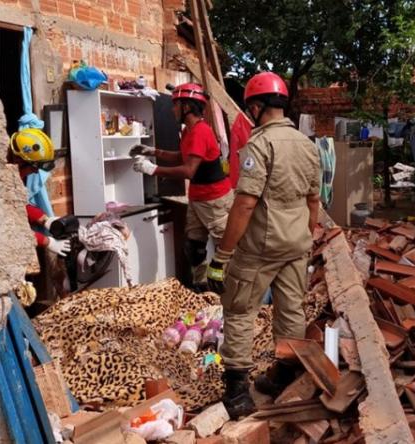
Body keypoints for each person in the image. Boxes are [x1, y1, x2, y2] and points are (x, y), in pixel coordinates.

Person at [206, 72, 321, 419]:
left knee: (239, 309)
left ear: (255, 106)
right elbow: (314, 201)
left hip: (261, 246)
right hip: (297, 242)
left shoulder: (259, 146)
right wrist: (305, 237)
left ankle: (239, 391)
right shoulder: (307, 145)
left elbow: (244, 204)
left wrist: (221, 257)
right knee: (290, 311)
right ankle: (284, 376)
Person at [131, 83, 233, 291]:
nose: (172, 109)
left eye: (175, 105)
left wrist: (153, 170)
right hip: (198, 198)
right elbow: (183, 156)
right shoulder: (189, 131)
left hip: (215, 201)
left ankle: (230, 294)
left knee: (227, 251)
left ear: (186, 107)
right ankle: (201, 288)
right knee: (194, 247)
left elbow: (188, 170)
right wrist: (152, 151)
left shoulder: (200, 132)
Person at [9, 128, 71, 257]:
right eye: (34, 167)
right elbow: (12, 227)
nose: (36, 172)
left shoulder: (13, 175)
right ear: (18, 161)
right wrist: (47, 242)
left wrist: (45, 220)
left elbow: (18, 204)